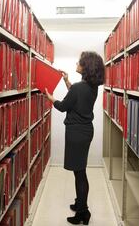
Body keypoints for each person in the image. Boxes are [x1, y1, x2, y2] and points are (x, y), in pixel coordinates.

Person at [45, 51, 105, 225]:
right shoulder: (91, 86)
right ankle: (80, 204)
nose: (76, 64)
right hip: (85, 131)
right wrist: (66, 80)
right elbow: (77, 95)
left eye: (79, 62)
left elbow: (64, 106)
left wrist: (51, 98)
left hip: (76, 133)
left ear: (86, 66)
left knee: (79, 173)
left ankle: (83, 213)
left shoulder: (81, 87)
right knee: (80, 170)